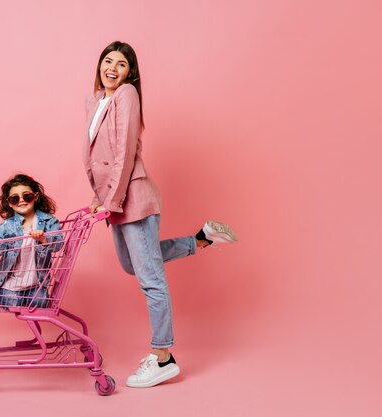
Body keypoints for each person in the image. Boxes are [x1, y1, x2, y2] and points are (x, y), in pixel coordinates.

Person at [83, 41, 238, 388]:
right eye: (107, 61)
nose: (112, 68)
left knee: (151, 279)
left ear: (129, 73)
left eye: (121, 64)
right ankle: (202, 239)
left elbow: (123, 151)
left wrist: (112, 199)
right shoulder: (96, 101)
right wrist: (99, 196)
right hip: (116, 200)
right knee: (132, 265)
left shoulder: (126, 95)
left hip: (133, 198)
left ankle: (163, 356)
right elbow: (97, 157)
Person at [0, 174, 63, 309]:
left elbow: (58, 245)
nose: (21, 201)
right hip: (11, 286)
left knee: (42, 303)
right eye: (15, 198)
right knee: (12, 303)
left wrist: (44, 239)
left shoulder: (49, 221)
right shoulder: (6, 226)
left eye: (27, 196)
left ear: (35, 197)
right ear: (9, 203)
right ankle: (10, 296)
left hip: (36, 286)